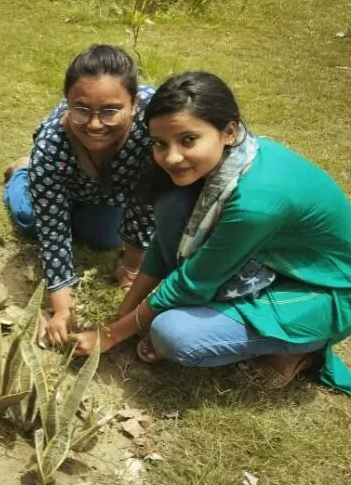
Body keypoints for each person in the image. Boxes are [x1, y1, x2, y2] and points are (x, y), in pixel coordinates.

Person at [58, 72, 351, 394]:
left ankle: (303, 348)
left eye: (188, 140)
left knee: (175, 335)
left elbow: (194, 281)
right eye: (160, 143)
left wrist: (112, 334)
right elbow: (164, 242)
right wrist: (126, 315)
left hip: (322, 289)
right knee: (171, 203)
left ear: (229, 131)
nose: (171, 157)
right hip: (270, 259)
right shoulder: (226, 163)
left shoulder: (256, 202)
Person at [3, 44, 156, 345]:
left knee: (106, 238)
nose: (96, 124)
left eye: (110, 111)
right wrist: (62, 309)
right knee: (30, 220)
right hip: (66, 182)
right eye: (82, 110)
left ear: (134, 103)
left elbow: (147, 193)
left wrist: (132, 264)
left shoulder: (156, 121)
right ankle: (22, 173)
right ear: (68, 102)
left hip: (115, 190)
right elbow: (53, 231)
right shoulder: (51, 146)